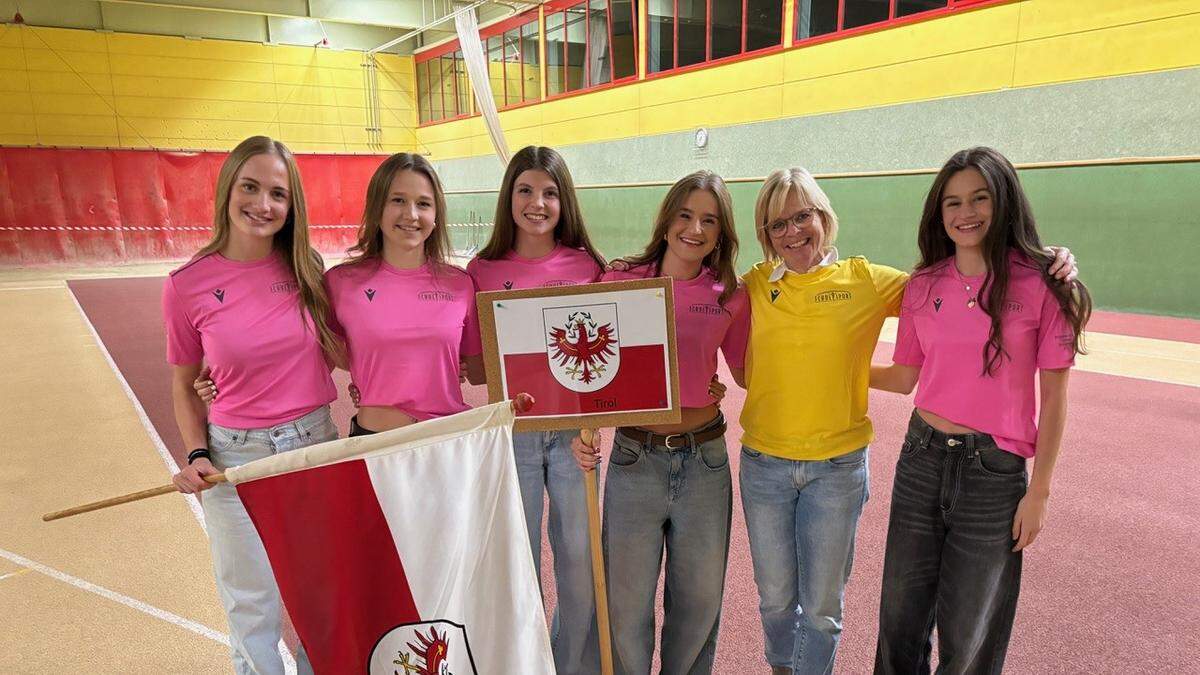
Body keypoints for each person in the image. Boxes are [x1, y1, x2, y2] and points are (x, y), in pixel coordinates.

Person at [738, 166, 1078, 675]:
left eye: (802, 215)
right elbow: (698, 307)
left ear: (823, 217)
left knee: (834, 609)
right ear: (765, 235)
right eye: (777, 224)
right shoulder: (756, 284)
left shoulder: (873, 281)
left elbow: (957, 289)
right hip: (769, 464)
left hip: (841, 468)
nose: (792, 231)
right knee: (783, 601)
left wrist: (1050, 259)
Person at [871, 147, 1091, 674]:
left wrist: (1039, 492)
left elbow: (1056, 398)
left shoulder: (1045, 284)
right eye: (952, 202)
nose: (964, 213)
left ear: (1004, 202)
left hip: (994, 476)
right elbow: (904, 378)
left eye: (979, 198)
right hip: (920, 459)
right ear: (938, 213)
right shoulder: (923, 285)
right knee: (899, 623)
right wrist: (827, 376)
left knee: (970, 637)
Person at [165, 135, 340, 675]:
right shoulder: (187, 285)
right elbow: (183, 385)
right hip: (232, 460)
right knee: (251, 607)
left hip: (313, 446)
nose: (263, 204)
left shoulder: (306, 267)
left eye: (278, 194)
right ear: (228, 190)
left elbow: (331, 353)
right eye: (250, 187)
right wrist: (197, 454)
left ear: (292, 207)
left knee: (320, 599)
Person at [570, 170, 749, 674]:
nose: (695, 228)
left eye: (709, 221)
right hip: (634, 459)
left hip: (704, 461)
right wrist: (579, 435)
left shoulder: (730, 294)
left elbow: (746, 373)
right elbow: (587, 372)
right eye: (686, 215)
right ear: (668, 218)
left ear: (721, 232)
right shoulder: (621, 279)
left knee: (698, 604)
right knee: (626, 606)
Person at [464, 145, 606, 675]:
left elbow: (606, 366)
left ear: (563, 201)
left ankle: (567, 664)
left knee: (579, 566)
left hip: (573, 437)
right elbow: (478, 371)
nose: (537, 203)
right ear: (509, 198)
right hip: (513, 435)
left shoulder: (587, 266)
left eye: (549, 192)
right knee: (517, 565)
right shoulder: (480, 271)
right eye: (525, 190)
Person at [323, 152, 483, 436]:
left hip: (446, 442)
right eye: (398, 200)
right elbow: (335, 355)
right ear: (376, 208)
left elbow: (476, 367)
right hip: (374, 442)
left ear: (435, 216)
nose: (411, 214)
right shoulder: (340, 282)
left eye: (423, 204)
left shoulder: (460, 284)